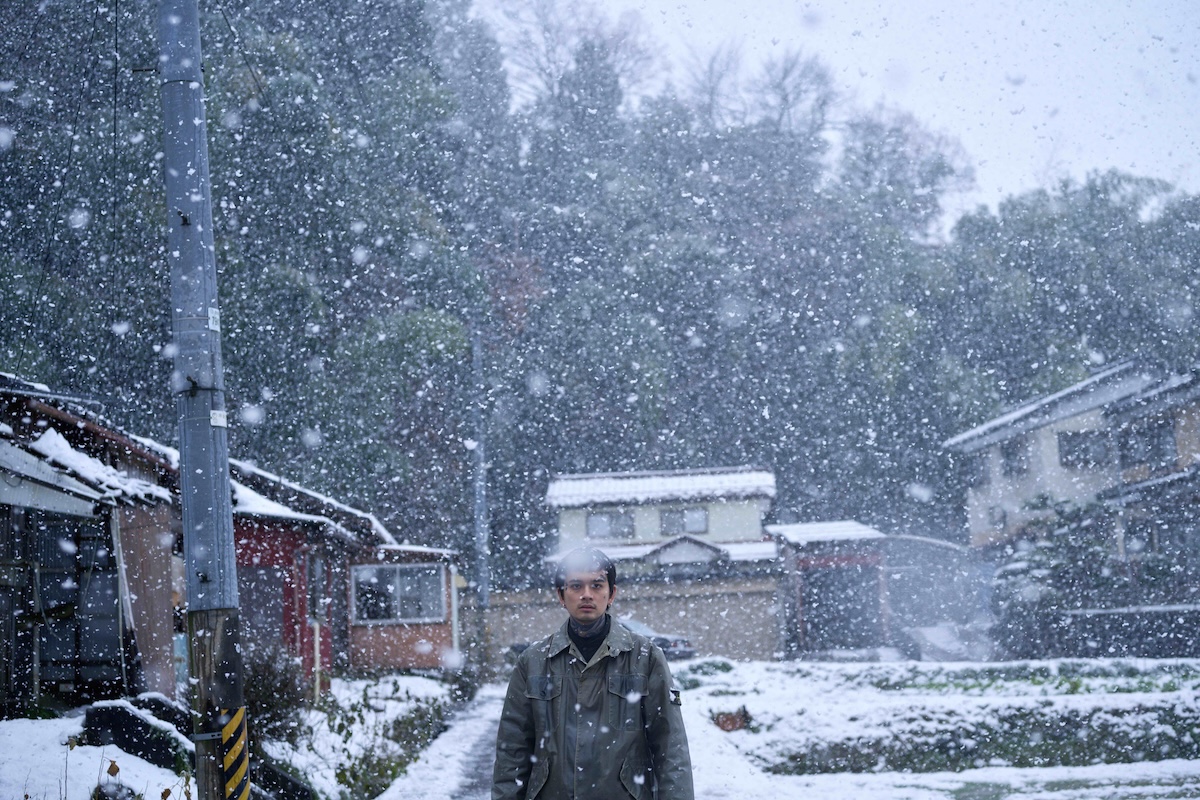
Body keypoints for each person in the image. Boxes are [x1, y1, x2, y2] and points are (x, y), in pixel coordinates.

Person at [492, 546, 694, 800]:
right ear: (561, 594)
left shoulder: (645, 657)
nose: (586, 594)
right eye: (576, 586)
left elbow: (670, 744)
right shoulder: (533, 662)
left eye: (597, 585)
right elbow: (512, 749)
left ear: (611, 594)